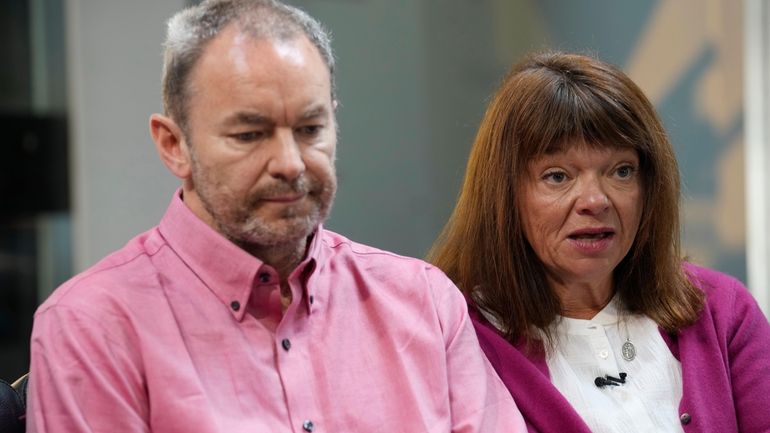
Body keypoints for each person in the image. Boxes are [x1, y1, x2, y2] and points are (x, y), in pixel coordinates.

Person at [26, 1, 526, 432]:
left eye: (310, 128)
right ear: (174, 145)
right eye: (250, 134)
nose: (290, 163)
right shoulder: (92, 327)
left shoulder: (425, 304)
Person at [429, 51, 770, 433]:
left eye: (621, 171)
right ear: (505, 196)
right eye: (557, 176)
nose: (596, 201)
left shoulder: (722, 312)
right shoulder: (458, 338)